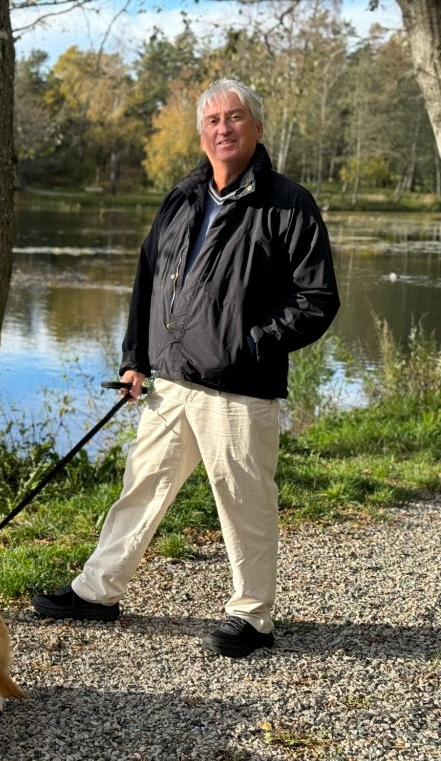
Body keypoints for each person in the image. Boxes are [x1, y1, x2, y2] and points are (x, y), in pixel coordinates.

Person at [31, 78, 340, 658]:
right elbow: (147, 279)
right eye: (213, 120)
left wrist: (251, 343)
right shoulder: (181, 197)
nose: (224, 128)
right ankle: (97, 592)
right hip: (170, 381)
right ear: (201, 134)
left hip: (240, 389)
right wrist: (135, 359)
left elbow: (317, 299)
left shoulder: (288, 203)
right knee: (141, 486)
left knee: (244, 501)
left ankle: (252, 617)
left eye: (235, 117)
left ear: (257, 128)